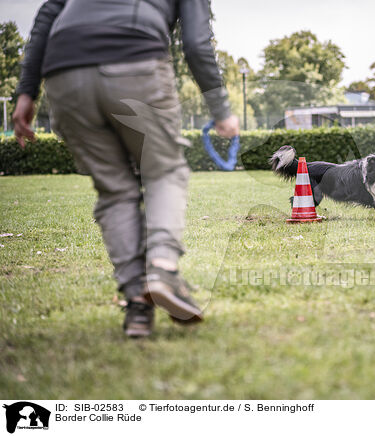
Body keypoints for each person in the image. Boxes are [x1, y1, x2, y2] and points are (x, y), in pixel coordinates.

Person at [12, 0, 239, 338]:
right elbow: (195, 41)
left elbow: (47, 14)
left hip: (64, 71)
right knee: (163, 170)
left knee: (115, 189)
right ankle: (162, 269)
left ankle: (136, 303)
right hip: (134, 60)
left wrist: (26, 91)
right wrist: (221, 109)